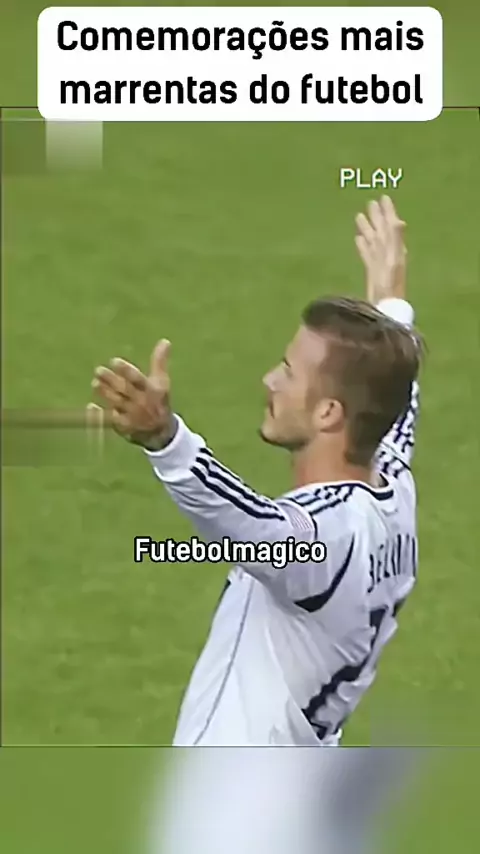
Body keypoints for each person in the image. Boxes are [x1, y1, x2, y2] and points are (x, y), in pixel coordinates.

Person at [91, 196, 423, 747]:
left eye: (289, 372)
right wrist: (390, 310)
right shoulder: (391, 487)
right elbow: (399, 405)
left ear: (329, 413)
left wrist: (164, 438)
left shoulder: (325, 539)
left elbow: (246, 521)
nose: (270, 379)